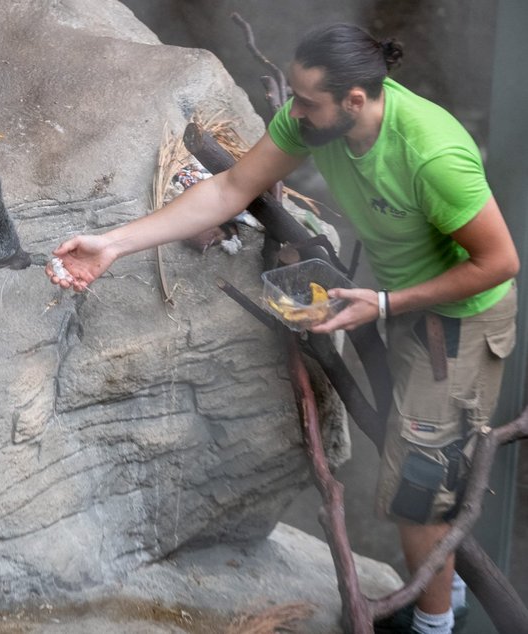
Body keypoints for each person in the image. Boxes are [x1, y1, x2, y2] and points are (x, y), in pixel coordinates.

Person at [45, 22, 519, 634]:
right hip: (403, 302)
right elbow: (231, 188)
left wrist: (384, 302)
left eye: (307, 102)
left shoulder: (432, 152)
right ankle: (447, 594)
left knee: (418, 485)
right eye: (292, 95)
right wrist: (113, 244)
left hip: (459, 319)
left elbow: (499, 262)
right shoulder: (316, 121)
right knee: (424, 462)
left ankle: (433, 627)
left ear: (354, 101)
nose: (292, 112)